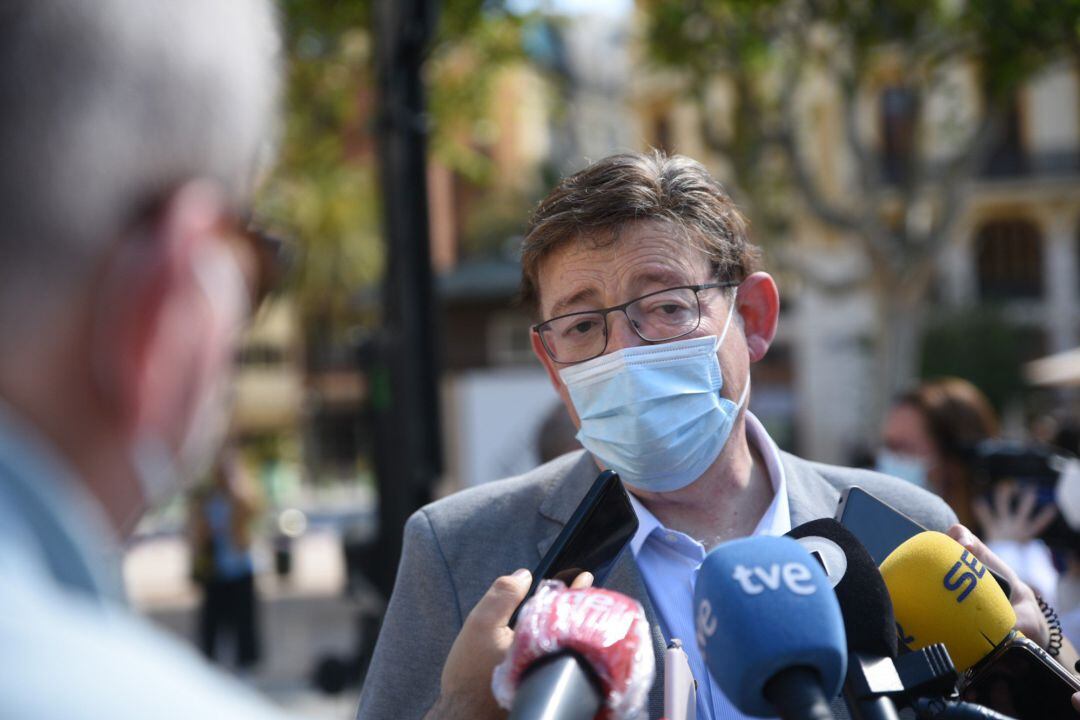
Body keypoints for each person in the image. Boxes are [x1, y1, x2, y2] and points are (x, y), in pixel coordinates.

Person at [356, 151, 1079, 720]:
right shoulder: (461, 552)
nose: (625, 353)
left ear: (755, 319)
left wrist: (1042, 647)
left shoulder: (905, 531)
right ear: (551, 363)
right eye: (582, 325)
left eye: (666, 307)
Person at [880, 378, 1059, 601]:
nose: (887, 459)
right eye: (887, 445)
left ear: (955, 461)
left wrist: (1005, 555)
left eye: (902, 447)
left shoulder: (1019, 534)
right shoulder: (893, 535)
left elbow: (1045, 626)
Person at [190, 449, 264, 670]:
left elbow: (254, 510)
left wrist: (237, 487)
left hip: (240, 566)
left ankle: (245, 664)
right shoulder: (206, 500)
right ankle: (210, 663)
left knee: (244, 621)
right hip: (215, 568)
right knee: (212, 623)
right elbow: (197, 531)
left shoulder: (242, 495)